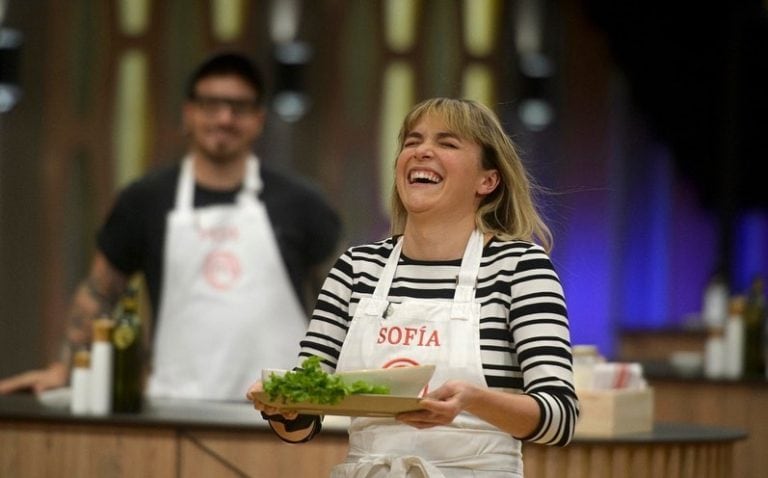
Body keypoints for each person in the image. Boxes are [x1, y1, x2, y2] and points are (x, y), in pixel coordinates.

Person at [247, 97, 578, 477]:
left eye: (447, 143)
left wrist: (474, 400)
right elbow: (304, 419)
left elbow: (560, 417)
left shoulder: (519, 267)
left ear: (487, 180)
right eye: (412, 141)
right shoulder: (356, 269)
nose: (422, 152)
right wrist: (284, 406)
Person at [0, 52, 342, 401]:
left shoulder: (303, 202)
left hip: (286, 412)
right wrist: (64, 368)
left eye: (238, 107)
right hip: (176, 410)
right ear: (188, 114)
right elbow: (100, 292)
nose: (224, 118)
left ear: (259, 119)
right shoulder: (145, 200)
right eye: (211, 105)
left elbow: (339, 299)